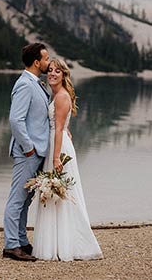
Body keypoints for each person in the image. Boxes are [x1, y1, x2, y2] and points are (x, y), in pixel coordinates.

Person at [32, 58, 103, 261]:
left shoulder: (62, 97)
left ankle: (69, 244)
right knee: (55, 196)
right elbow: (61, 124)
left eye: (57, 71)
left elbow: (59, 128)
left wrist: (55, 158)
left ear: (64, 74)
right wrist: (63, 132)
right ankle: (55, 243)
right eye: (50, 70)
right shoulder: (56, 95)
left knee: (62, 195)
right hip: (56, 144)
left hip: (58, 149)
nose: (52, 74)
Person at [2, 42, 51, 261]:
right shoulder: (24, 84)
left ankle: (21, 241)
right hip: (28, 153)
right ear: (36, 62)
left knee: (26, 200)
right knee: (17, 199)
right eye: (46, 59)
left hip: (37, 152)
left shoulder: (36, 83)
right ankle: (11, 245)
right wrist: (29, 148)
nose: (49, 63)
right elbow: (15, 119)